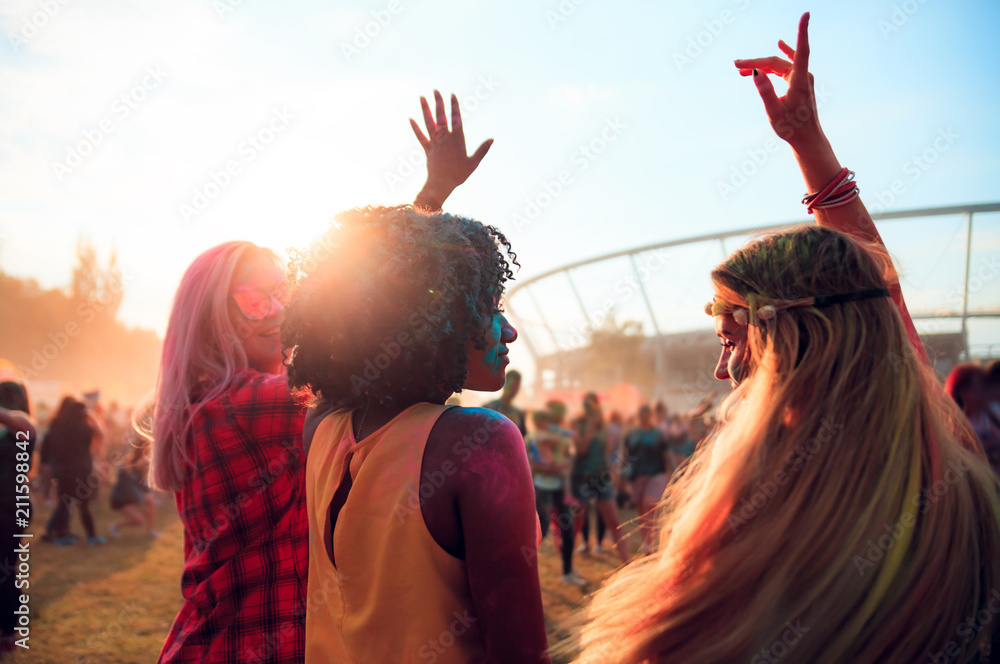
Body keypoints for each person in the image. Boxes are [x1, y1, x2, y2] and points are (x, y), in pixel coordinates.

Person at [572, 14, 1000, 663]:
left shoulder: (766, 504)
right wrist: (807, 142)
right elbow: (873, 302)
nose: (721, 370)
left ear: (795, 344)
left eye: (728, 339)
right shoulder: (948, 474)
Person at [146, 91, 492, 663]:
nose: (279, 309)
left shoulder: (211, 401)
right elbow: (366, 347)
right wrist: (431, 198)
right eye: (256, 298)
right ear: (212, 312)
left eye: (285, 293)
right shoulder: (243, 405)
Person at [284, 205, 550, 663]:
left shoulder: (322, 429)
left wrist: (427, 204)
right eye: (486, 308)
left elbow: (365, 287)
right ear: (432, 322)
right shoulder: (481, 442)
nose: (509, 331)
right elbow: (520, 651)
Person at [526, 409, 582, 585]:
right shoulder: (531, 438)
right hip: (542, 488)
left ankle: (567, 572)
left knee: (568, 529)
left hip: (560, 487)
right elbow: (528, 462)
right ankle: (528, 575)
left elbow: (570, 455)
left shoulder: (560, 435)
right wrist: (546, 468)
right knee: (541, 531)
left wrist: (562, 465)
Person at [0, 374, 35, 654]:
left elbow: (22, 425)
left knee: (5, 567)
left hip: (11, 506)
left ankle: (10, 631)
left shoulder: (22, 424)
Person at [571, 394, 628, 563]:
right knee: (577, 520)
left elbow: (608, 451)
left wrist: (613, 473)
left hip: (601, 476)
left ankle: (627, 562)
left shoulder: (604, 426)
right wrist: (589, 428)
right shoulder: (578, 424)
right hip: (582, 476)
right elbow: (580, 450)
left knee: (614, 520)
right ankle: (569, 564)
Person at [42, 396, 106, 546]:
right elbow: (100, 433)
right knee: (84, 505)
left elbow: (47, 446)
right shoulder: (82, 428)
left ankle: (61, 535)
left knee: (64, 504)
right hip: (80, 471)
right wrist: (92, 416)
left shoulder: (56, 426)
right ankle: (92, 536)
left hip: (61, 471)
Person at [622, 405, 669, 552]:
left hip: (655, 474)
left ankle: (651, 542)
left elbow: (665, 455)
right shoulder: (632, 435)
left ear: (650, 416)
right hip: (637, 476)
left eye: (647, 415)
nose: (644, 418)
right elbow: (626, 456)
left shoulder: (657, 434)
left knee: (648, 505)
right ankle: (648, 542)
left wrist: (670, 473)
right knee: (642, 511)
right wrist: (623, 476)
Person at [945, 363, 1000, 471]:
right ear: (961, 392)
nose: (982, 392)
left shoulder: (992, 412)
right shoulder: (954, 426)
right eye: (976, 387)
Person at [108, 444, 158, 539]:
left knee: (149, 503)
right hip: (120, 499)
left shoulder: (133, 471)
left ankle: (151, 531)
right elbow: (129, 491)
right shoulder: (123, 473)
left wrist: (145, 501)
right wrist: (142, 503)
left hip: (129, 498)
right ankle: (114, 526)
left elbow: (140, 486)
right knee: (139, 520)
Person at [483, 368, 527, 436]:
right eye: (512, 386)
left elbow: (522, 437)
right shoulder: (488, 408)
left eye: (516, 387)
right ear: (504, 384)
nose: (514, 391)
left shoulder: (519, 414)